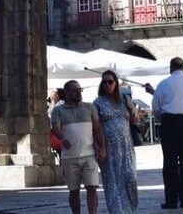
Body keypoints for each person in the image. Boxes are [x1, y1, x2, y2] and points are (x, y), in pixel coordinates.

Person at [149, 57, 183, 210]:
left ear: (171, 67)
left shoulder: (164, 84)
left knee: (170, 162)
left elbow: (156, 107)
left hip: (170, 122)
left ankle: (171, 200)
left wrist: (164, 119)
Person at [51, 79, 106, 214]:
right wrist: (63, 138)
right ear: (66, 93)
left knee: (92, 187)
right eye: (75, 90)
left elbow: (97, 128)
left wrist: (102, 148)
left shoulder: (89, 107)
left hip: (89, 155)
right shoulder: (58, 110)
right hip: (69, 157)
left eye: (79, 90)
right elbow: (55, 127)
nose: (79, 93)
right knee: (74, 190)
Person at [93, 70, 138, 213]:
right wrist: (100, 148)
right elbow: (96, 127)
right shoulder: (98, 103)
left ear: (116, 83)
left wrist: (132, 110)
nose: (107, 85)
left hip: (126, 147)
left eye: (110, 82)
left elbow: (135, 120)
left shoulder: (125, 100)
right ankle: (117, 211)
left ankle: (130, 209)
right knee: (113, 182)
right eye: (104, 82)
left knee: (130, 178)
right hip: (109, 147)